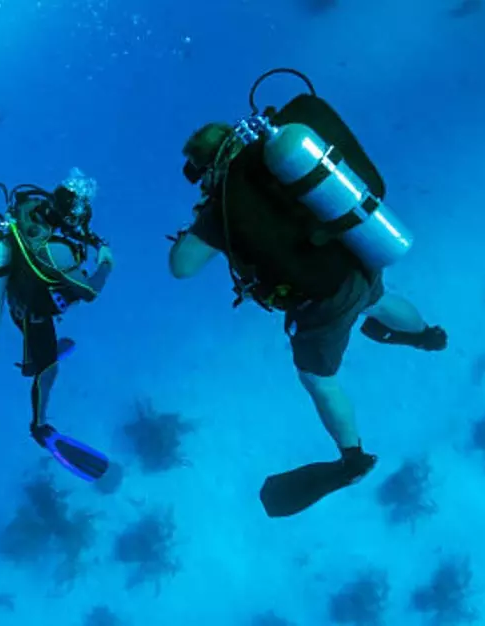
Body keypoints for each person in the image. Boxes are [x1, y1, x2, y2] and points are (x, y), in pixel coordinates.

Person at [168, 94, 448, 518]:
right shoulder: (280, 157)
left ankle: (352, 458)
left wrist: (203, 220)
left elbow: (181, 267)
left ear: (207, 166)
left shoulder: (224, 205)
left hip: (322, 300)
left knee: (317, 378)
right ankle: (427, 336)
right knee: (377, 299)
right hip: (357, 256)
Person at [0, 169, 114, 482]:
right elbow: (88, 292)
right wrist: (105, 263)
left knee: (40, 339)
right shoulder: (57, 250)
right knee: (50, 371)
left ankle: (38, 357)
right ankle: (39, 425)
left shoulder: (30, 206)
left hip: (16, 299)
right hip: (35, 316)